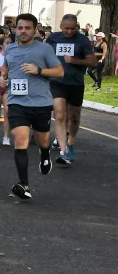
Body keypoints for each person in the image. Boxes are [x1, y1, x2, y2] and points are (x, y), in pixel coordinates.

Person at [0, 13, 63, 200]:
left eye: (27, 28)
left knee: (43, 141)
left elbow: (59, 71)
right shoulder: (10, 49)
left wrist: (39, 70)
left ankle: (45, 153)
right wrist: (3, 78)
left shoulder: (44, 49)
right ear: (15, 29)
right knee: (21, 139)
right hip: (16, 102)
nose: (23, 31)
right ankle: (24, 184)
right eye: (20, 28)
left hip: (41, 102)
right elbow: (6, 67)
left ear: (35, 30)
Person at [45, 14, 96, 165]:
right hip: (57, 81)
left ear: (77, 27)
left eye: (73, 29)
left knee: (74, 117)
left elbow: (93, 62)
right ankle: (63, 150)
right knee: (59, 115)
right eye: (66, 28)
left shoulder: (82, 40)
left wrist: (75, 60)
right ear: (61, 25)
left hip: (75, 83)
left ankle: (71, 143)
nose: (69, 31)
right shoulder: (53, 38)